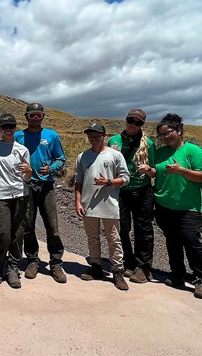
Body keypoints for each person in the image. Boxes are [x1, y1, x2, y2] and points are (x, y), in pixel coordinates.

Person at [138, 113, 202, 299]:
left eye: (167, 133)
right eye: (161, 135)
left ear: (178, 131)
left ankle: (201, 279)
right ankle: (177, 274)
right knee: (172, 241)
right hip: (164, 204)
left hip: (188, 207)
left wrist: (182, 171)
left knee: (191, 241)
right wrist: (148, 171)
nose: (164, 137)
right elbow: (157, 173)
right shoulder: (161, 152)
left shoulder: (192, 151)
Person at [14, 102, 68, 283]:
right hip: (26, 185)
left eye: (38, 115)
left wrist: (51, 168)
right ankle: (33, 260)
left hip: (46, 186)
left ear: (43, 116)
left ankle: (56, 263)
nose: (35, 119)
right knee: (28, 225)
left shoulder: (51, 135)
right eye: (32, 115)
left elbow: (60, 158)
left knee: (52, 226)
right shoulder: (18, 136)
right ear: (26, 116)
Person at [75, 122, 131, 291]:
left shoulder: (115, 155)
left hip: (109, 205)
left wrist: (108, 182)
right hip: (88, 204)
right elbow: (78, 181)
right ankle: (96, 266)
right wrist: (78, 201)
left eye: (97, 134)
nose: (93, 137)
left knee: (113, 239)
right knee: (92, 237)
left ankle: (117, 271)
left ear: (104, 136)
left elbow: (126, 178)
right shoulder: (82, 156)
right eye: (90, 134)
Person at [108, 108, 156, 283]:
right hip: (120, 191)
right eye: (131, 120)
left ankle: (144, 267)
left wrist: (148, 169)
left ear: (142, 124)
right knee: (121, 228)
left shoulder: (148, 143)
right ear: (126, 120)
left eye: (138, 123)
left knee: (143, 229)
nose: (133, 125)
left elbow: (154, 171)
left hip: (142, 190)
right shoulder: (114, 140)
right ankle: (129, 261)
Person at [0, 114, 32, 289]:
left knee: (17, 234)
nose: (8, 129)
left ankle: (13, 267)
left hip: (20, 195)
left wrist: (29, 171)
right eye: (5, 126)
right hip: (0, 197)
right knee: (3, 234)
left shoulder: (22, 149)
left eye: (11, 126)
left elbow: (27, 178)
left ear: (15, 128)